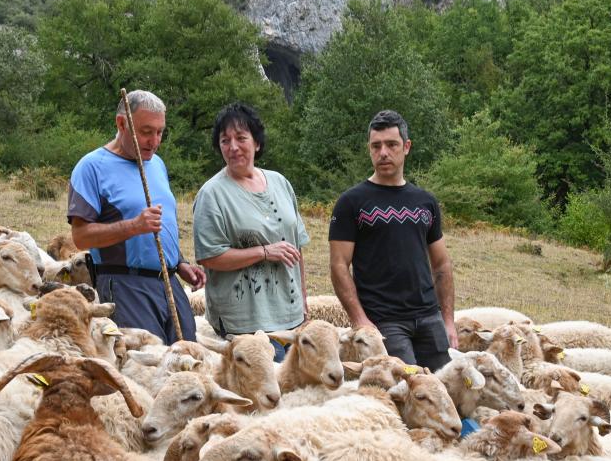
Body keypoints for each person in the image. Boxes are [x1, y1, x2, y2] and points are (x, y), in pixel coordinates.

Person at [66, 90, 204, 343]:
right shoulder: (91, 167)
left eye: (160, 131)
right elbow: (81, 237)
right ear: (121, 123)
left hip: (169, 284)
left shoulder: (157, 164)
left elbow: (162, 225)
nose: (154, 141)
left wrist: (179, 263)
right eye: (146, 131)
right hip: (125, 285)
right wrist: (133, 226)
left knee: (188, 364)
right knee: (145, 367)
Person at [329, 109, 456, 371]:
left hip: (429, 317)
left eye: (391, 145)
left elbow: (442, 265)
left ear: (406, 147)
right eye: (376, 146)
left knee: (444, 391)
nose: (383, 152)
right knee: (407, 390)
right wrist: (361, 322)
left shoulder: (426, 202)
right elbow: (339, 266)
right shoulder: (351, 202)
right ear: (369, 149)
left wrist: (448, 321)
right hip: (385, 322)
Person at [191, 102, 309, 357]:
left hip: (291, 318)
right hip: (245, 326)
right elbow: (209, 257)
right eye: (225, 140)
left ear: (256, 142)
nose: (233, 147)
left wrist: (304, 302)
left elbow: (296, 245)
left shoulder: (280, 183)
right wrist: (264, 252)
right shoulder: (212, 194)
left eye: (241, 138)